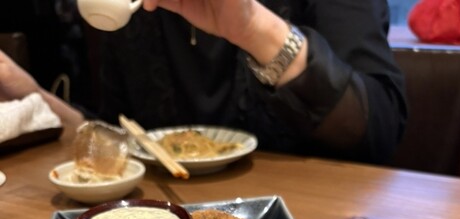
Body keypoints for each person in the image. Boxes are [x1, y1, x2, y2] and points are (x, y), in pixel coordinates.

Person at [0, 1, 407, 164]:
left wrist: (254, 28)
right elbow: (125, 138)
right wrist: (33, 96)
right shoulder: (135, 13)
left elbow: (380, 130)